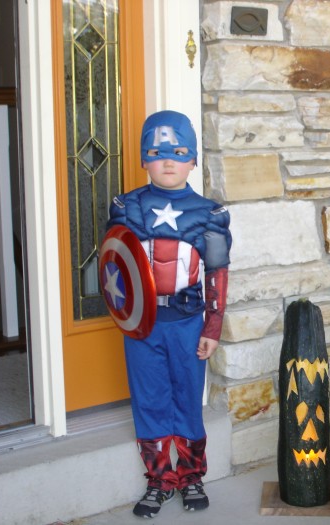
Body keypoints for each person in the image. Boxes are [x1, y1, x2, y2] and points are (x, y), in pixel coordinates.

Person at [106, 110, 231, 518]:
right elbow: (114, 267)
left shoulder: (209, 213)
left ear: (193, 159)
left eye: (178, 152)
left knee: (186, 400)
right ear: (144, 158)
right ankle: (160, 479)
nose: (168, 161)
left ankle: (191, 476)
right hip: (142, 324)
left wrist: (212, 326)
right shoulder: (126, 206)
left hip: (187, 322)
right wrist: (125, 316)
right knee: (150, 400)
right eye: (157, 152)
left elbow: (216, 275)